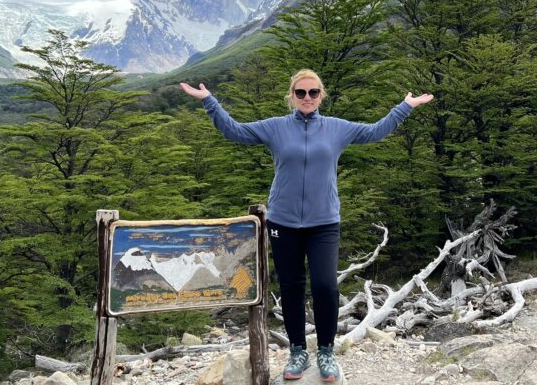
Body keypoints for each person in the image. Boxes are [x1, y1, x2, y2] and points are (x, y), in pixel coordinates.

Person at [180, 69, 433, 382]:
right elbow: (234, 131)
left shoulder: (337, 129)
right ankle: (298, 351)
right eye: (301, 93)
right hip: (282, 222)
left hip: (324, 222)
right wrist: (209, 102)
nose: (307, 98)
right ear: (292, 96)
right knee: (291, 287)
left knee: (325, 285)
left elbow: (375, 131)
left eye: (313, 92)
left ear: (321, 95)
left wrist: (405, 106)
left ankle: (326, 350)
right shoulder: (275, 128)